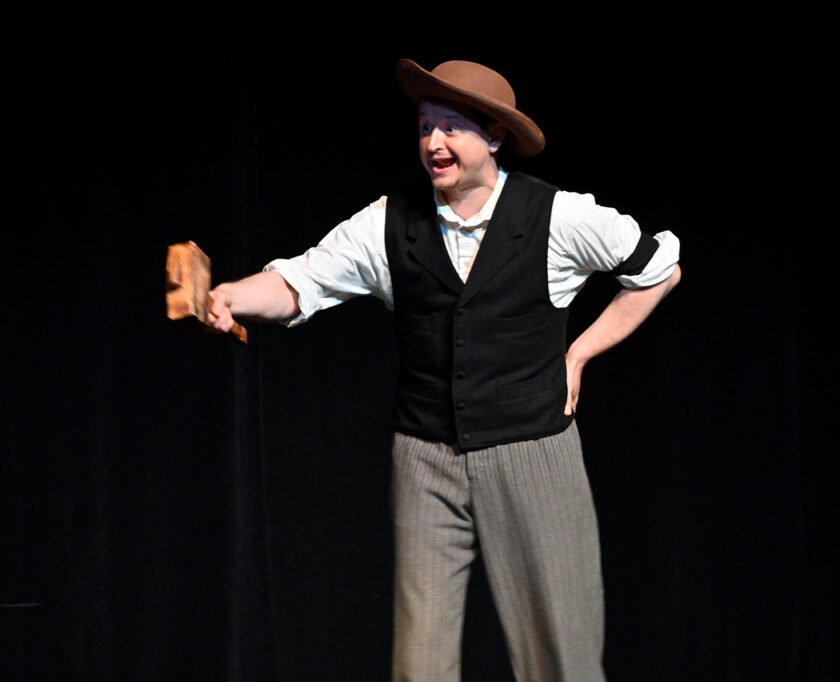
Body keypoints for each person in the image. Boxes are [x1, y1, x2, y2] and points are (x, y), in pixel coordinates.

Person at [208, 58, 681, 682]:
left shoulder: (558, 218)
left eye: (452, 128)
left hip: (533, 450)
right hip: (425, 455)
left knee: (559, 654)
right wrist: (235, 295)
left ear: (494, 137)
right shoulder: (388, 222)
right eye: (426, 127)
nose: (434, 143)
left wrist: (579, 353)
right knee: (420, 662)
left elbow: (657, 271)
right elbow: (301, 282)